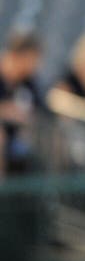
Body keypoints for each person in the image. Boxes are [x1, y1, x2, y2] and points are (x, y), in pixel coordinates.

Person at [0, 34, 45, 174]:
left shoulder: (29, 82)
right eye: (32, 59)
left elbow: (40, 110)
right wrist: (6, 110)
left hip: (20, 139)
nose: (35, 65)